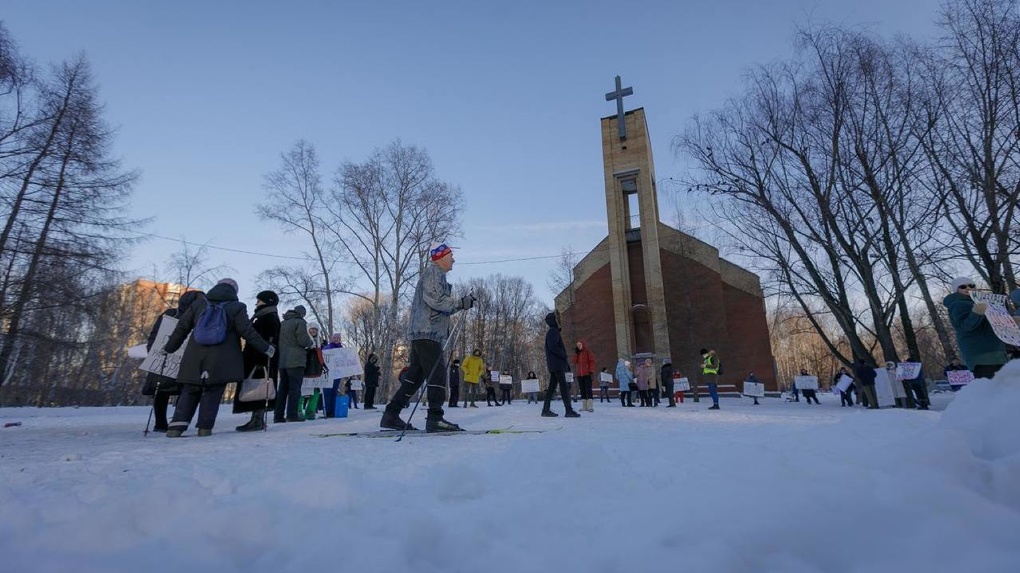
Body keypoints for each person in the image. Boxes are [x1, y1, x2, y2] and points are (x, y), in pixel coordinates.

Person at [380, 242, 473, 433]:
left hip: (425, 332)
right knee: (437, 374)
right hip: (427, 332)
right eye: (451, 256)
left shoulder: (436, 274)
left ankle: (391, 414)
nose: (453, 259)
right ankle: (435, 418)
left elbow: (438, 303)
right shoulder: (433, 273)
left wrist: (459, 304)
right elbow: (437, 301)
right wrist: (460, 303)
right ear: (441, 257)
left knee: (414, 377)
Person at [163, 278, 274, 437]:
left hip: (195, 356)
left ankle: (176, 427)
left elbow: (182, 327)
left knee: (190, 389)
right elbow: (247, 332)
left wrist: (169, 348)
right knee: (213, 390)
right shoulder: (237, 307)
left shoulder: (199, 304)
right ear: (234, 291)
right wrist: (266, 348)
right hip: (222, 358)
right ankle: (204, 427)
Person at [142, 291, 202, 432]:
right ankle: (161, 423)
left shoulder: (193, 317)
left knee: (178, 390)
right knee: (162, 390)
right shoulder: (173, 315)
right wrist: (154, 351)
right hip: (166, 357)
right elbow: (156, 335)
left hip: (177, 358)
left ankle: (174, 421)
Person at [944, 277, 1008, 379]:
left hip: (998, 352)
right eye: (963, 286)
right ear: (957, 290)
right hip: (980, 354)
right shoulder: (957, 304)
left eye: (971, 285)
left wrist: (1011, 321)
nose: (968, 288)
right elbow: (964, 326)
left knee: (1007, 388)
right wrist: (976, 312)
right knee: (991, 389)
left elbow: (994, 322)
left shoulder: (984, 301)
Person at [234, 290, 280, 432]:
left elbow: (269, 340)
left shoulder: (268, 318)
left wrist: (261, 358)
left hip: (260, 359)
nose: (256, 303)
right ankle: (256, 419)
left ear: (267, 301)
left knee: (259, 387)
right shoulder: (264, 316)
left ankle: (257, 420)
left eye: (259, 301)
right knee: (259, 387)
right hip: (258, 357)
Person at [275, 305, 315, 423]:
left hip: (283, 361)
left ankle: (278, 415)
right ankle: (292, 415)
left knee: (283, 388)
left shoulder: (282, 323)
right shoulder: (300, 322)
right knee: (295, 389)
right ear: (302, 313)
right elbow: (303, 340)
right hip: (296, 361)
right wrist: (311, 343)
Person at [541, 312, 580, 418]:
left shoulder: (553, 331)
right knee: (563, 387)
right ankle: (568, 410)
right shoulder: (553, 332)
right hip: (557, 364)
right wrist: (564, 355)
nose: (560, 321)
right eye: (558, 319)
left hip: (555, 364)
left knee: (552, 388)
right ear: (554, 320)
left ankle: (545, 410)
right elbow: (553, 347)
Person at [300, 323, 326, 419]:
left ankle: (310, 411)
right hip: (306, 370)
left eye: (315, 330)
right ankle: (298, 410)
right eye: (311, 330)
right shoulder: (305, 341)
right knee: (303, 392)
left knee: (316, 392)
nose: (313, 331)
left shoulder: (319, 342)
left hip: (316, 370)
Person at [572, 340, 596, 413]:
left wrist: (591, 370)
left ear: (583, 345)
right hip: (580, 374)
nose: (579, 346)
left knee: (588, 390)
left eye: (580, 345)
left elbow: (592, 361)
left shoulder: (587, 352)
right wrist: (576, 353)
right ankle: (584, 406)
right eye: (578, 345)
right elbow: (574, 361)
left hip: (587, 374)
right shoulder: (578, 353)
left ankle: (590, 406)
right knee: (582, 390)